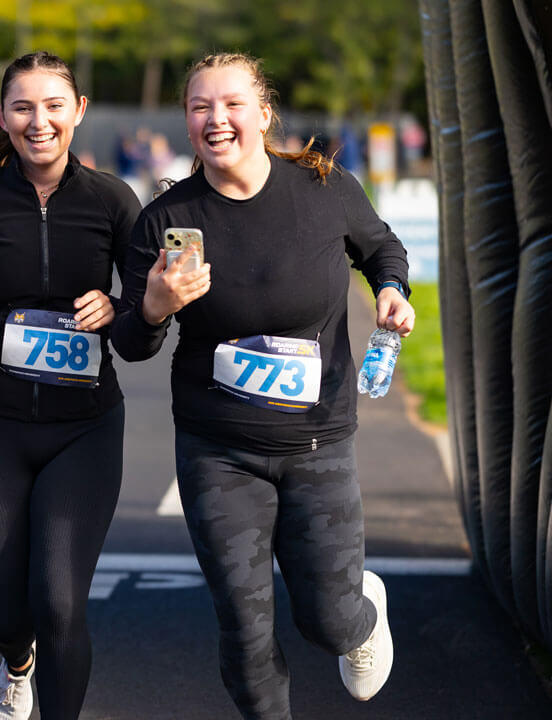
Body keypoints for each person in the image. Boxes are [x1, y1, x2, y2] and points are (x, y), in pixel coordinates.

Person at [111, 52, 414, 719]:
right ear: (186, 121)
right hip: (218, 451)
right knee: (245, 631)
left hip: (318, 442)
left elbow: (382, 246)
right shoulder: (167, 220)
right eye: (200, 107)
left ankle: (362, 618)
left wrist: (391, 290)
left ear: (263, 113)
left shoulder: (325, 189)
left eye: (232, 104)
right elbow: (131, 343)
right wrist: (156, 304)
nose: (216, 120)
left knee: (326, 622)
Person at [0, 52, 141, 720]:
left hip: (85, 426)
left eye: (52, 106)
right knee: (8, 614)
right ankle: (17, 663)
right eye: (22, 107)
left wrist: (119, 306)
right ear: (0, 118)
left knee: (62, 600)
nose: (37, 121)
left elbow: (143, 315)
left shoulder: (111, 201)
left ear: (78, 113)